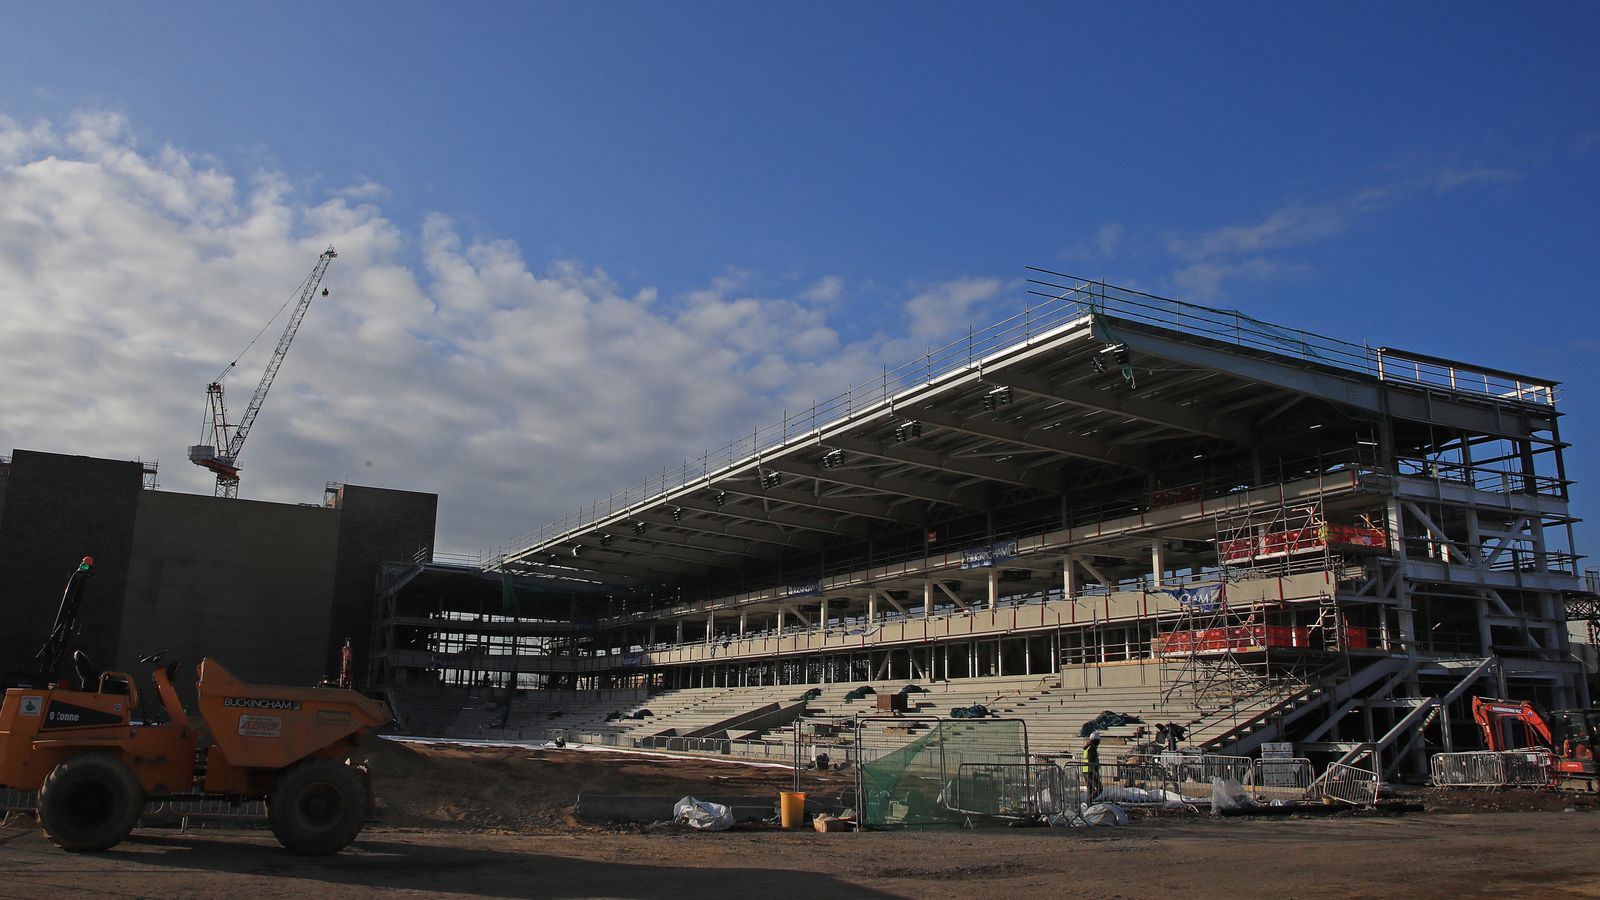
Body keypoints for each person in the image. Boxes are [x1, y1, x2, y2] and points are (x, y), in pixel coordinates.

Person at [1082, 731, 1103, 801]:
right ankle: (1087, 803)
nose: (1099, 743)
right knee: (1099, 788)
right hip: (1090, 771)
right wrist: (1096, 771)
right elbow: (1091, 761)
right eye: (1098, 741)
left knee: (1090, 789)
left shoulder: (1087, 747)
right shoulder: (1092, 748)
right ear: (1095, 741)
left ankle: (1088, 804)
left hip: (1085, 770)